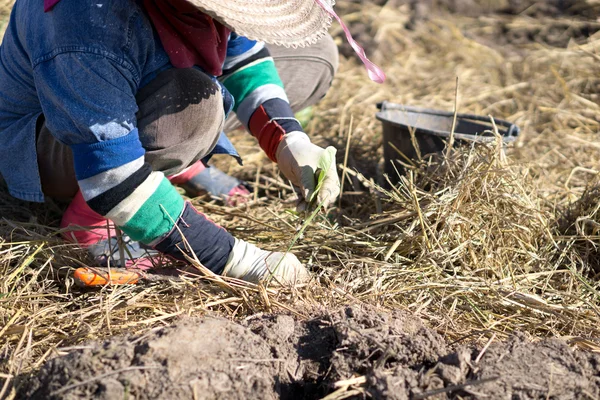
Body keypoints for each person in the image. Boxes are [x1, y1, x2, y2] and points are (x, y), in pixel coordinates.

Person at [0, 0, 383, 284]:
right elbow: (111, 177)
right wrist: (235, 259)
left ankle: (173, 160)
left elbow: (243, 56)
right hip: (51, 142)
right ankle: (89, 222)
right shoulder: (85, 22)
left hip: (135, 89)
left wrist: (288, 141)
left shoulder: (200, 8)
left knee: (312, 57)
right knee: (190, 107)